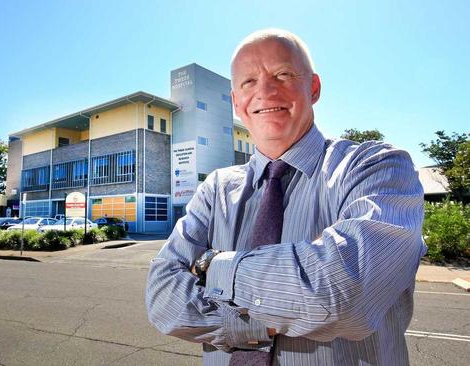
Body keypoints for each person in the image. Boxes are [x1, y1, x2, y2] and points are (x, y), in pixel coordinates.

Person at [145, 28, 426, 366]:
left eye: (283, 74)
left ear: (314, 87)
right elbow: (162, 296)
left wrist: (212, 268)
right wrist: (278, 312)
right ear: (236, 102)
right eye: (248, 82)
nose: (265, 90)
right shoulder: (215, 189)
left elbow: (344, 291)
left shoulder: (374, 167)